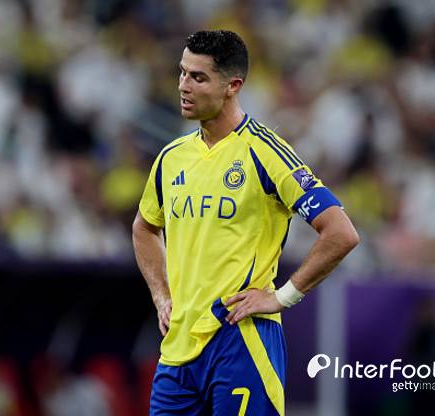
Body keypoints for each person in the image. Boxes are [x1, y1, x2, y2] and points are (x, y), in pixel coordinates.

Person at [132, 30, 359, 415]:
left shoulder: (266, 153)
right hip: (178, 349)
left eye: (198, 77)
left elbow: (340, 232)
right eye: (182, 73)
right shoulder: (171, 157)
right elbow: (144, 227)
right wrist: (161, 295)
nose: (183, 86)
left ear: (233, 86)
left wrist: (282, 297)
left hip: (242, 340)